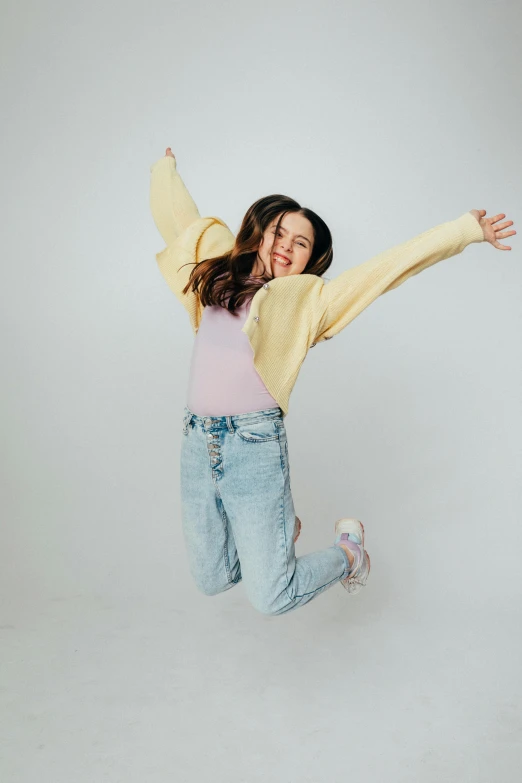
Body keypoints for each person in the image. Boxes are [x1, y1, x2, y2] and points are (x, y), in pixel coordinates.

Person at [149, 147, 515, 616]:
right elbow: (185, 222)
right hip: (196, 441)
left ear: (311, 259)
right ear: (259, 233)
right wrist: (164, 171)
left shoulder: (309, 303)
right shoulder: (219, 267)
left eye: (300, 243)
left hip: (253, 446)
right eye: (279, 231)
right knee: (211, 577)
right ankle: (278, 526)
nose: (286, 244)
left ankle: (350, 554)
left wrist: (464, 230)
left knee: (272, 597)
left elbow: (386, 270)